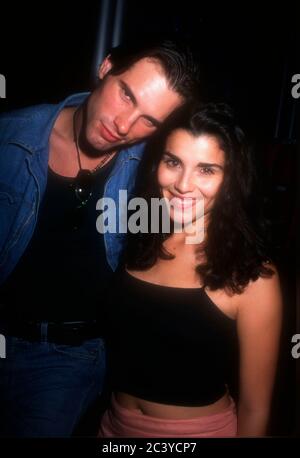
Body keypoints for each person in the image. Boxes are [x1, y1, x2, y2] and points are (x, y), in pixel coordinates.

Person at [0, 39, 201, 437]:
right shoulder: (9, 136)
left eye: (149, 120)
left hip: (68, 360)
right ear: (106, 67)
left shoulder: (153, 173)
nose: (124, 125)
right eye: (126, 95)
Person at [99, 103, 282, 437]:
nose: (183, 184)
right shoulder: (139, 238)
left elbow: (256, 408)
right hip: (113, 427)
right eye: (173, 162)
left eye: (206, 170)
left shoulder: (252, 275)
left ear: (231, 179)